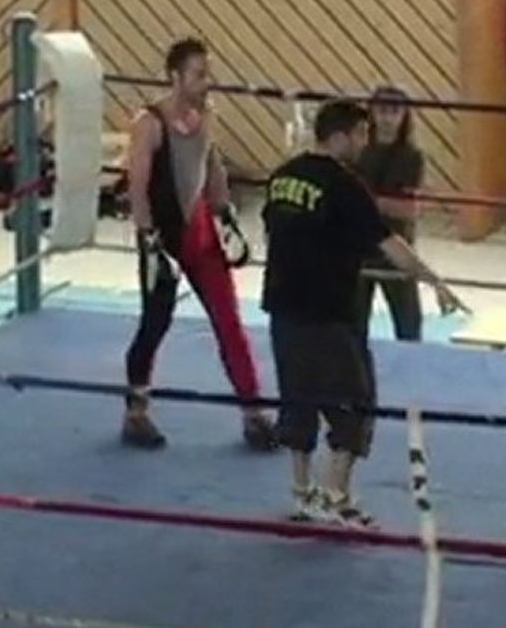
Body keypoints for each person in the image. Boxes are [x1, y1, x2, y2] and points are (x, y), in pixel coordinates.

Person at [262, 99, 467, 528]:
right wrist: (435, 281)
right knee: (356, 400)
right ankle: (337, 497)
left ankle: (303, 493)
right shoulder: (345, 186)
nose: (364, 141)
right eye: (358, 134)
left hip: (283, 304)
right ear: (338, 135)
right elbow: (390, 245)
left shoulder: (282, 176)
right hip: (328, 310)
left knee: (297, 397)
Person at [123, 37, 277, 451]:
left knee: (228, 320)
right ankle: (136, 411)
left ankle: (253, 412)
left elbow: (212, 164)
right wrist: (148, 240)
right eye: (198, 74)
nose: (206, 81)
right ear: (175, 76)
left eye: (207, 73)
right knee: (155, 322)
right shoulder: (149, 123)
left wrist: (226, 216)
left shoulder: (205, 115)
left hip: (201, 231)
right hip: (163, 236)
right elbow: (136, 187)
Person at [353, 86, 425, 343]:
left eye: (394, 111)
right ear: (371, 113)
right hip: (358, 245)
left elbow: (409, 210)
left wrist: (364, 202)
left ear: (405, 115)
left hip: (396, 244)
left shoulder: (411, 156)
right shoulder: (357, 149)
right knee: (354, 321)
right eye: (382, 110)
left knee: (409, 323)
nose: (387, 118)